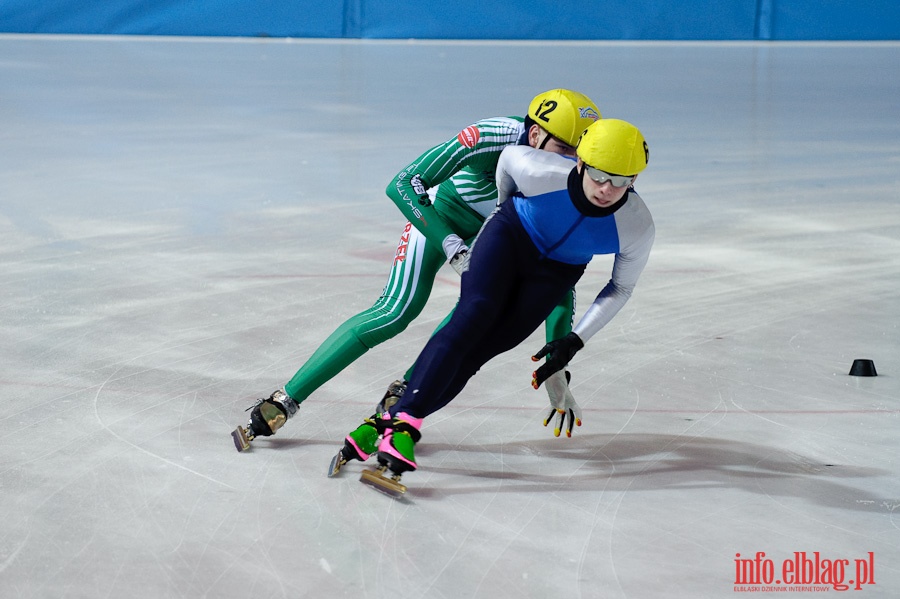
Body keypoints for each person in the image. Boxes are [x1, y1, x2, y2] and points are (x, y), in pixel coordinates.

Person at [232, 89, 602, 452]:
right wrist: (450, 243)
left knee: (476, 314)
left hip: (498, 235)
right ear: (535, 135)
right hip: (443, 216)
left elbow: (560, 275)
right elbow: (403, 184)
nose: (572, 164)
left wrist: (557, 366)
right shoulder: (491, 138)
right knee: (395, 311)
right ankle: (285, 399)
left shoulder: (577, 182)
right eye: (565, 150)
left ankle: (405, 392)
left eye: (580, 154)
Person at [349, 118, 655, 495]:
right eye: (599, 175)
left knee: (480, 352)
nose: (607, 189)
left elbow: (620, 288)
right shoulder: (539, 169)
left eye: (622, 181)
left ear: (635, 180)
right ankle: (406, 427)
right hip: (511, 236)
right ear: (580, 163)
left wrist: (575, 339)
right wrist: (501, 209)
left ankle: (383, 424)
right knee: (474, 311)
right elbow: (508, 161)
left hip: (556, 273)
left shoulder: (637, 225)